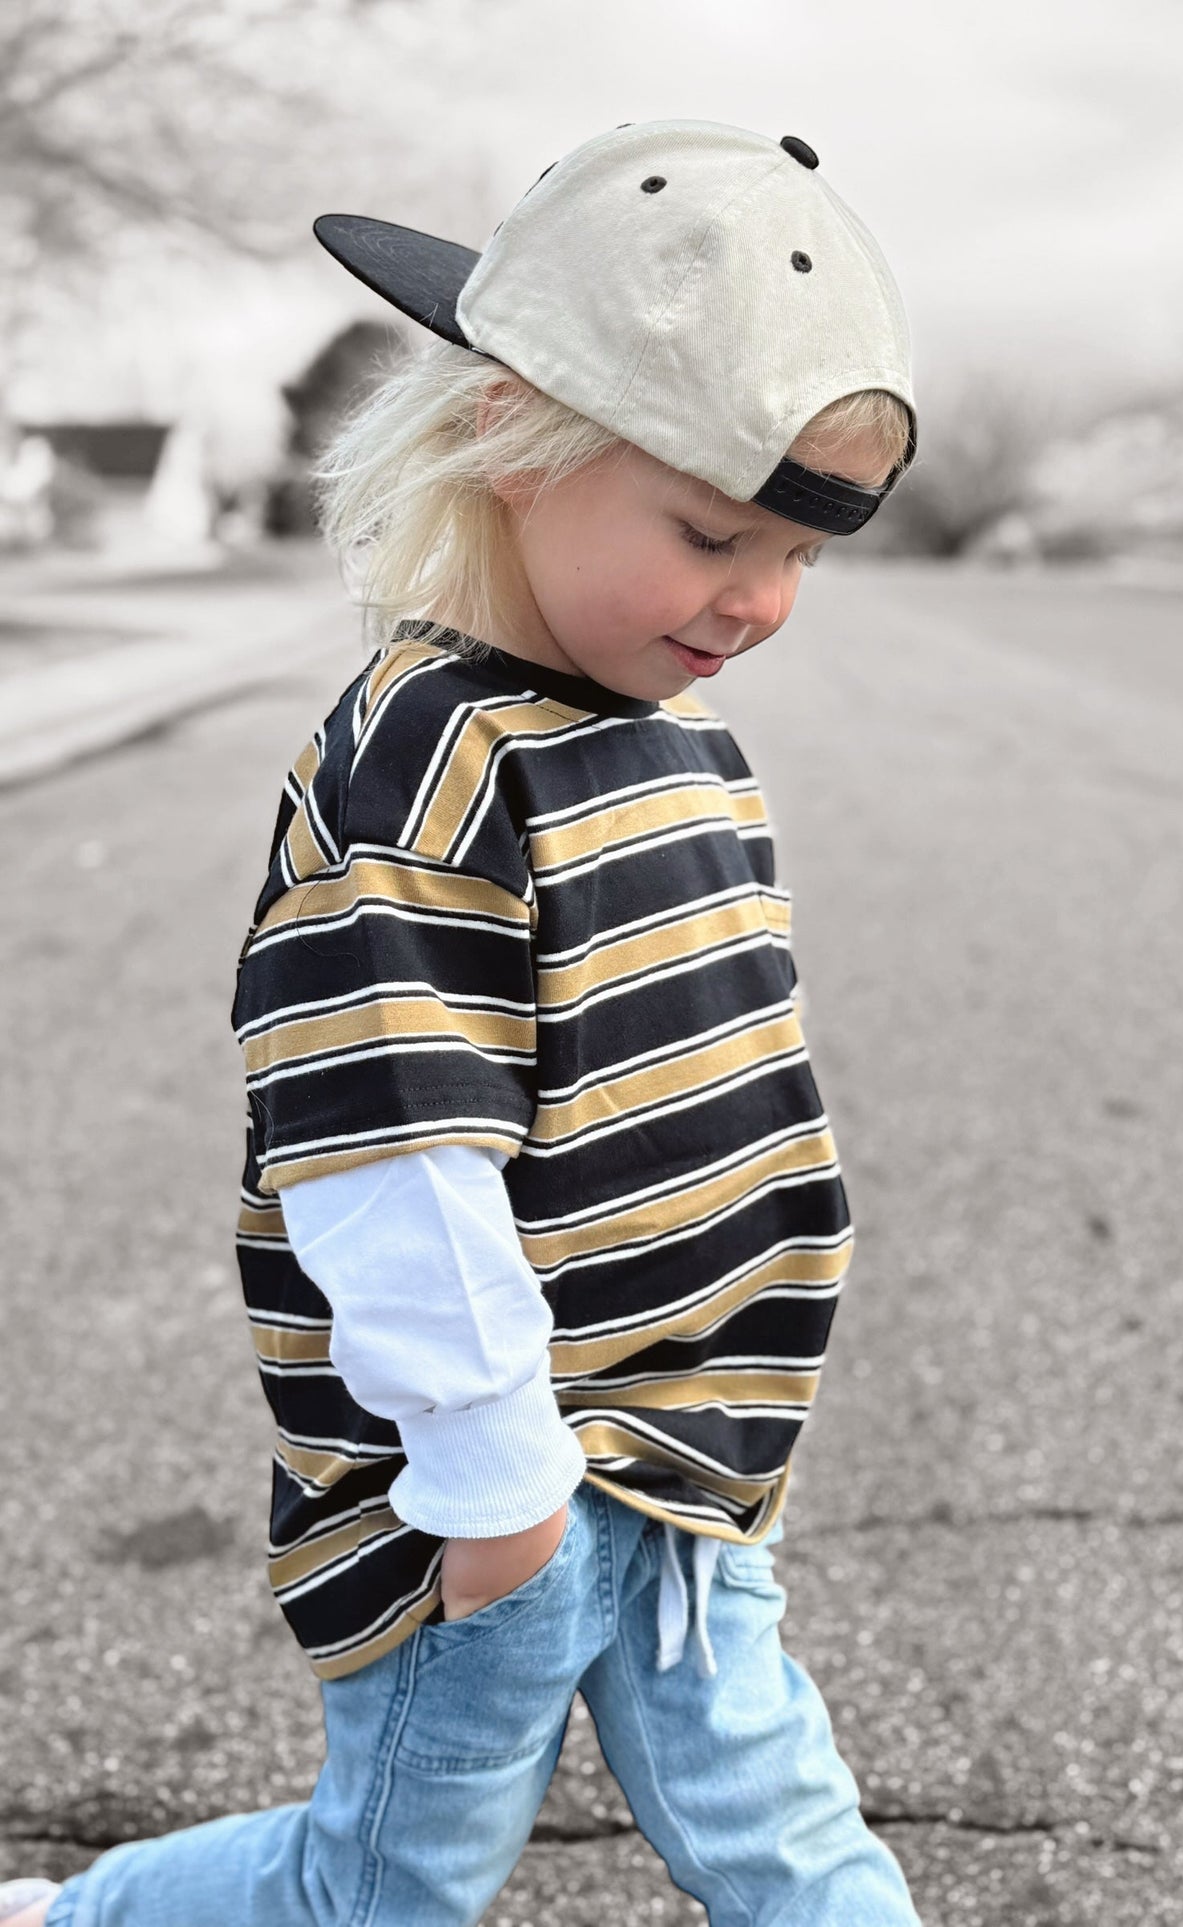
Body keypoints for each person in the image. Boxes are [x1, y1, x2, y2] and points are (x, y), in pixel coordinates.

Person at [3, 118, 921, 1927]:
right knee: (385, 1888)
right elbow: (384, 1147)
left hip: (692, 1453)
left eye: (798, 556)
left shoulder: (683, 746)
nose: (758, 600)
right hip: (494, 1481)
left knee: (794, 1846)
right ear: (514, 436)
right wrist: (490, 1478)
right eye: (711, 533)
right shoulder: (422, 767)